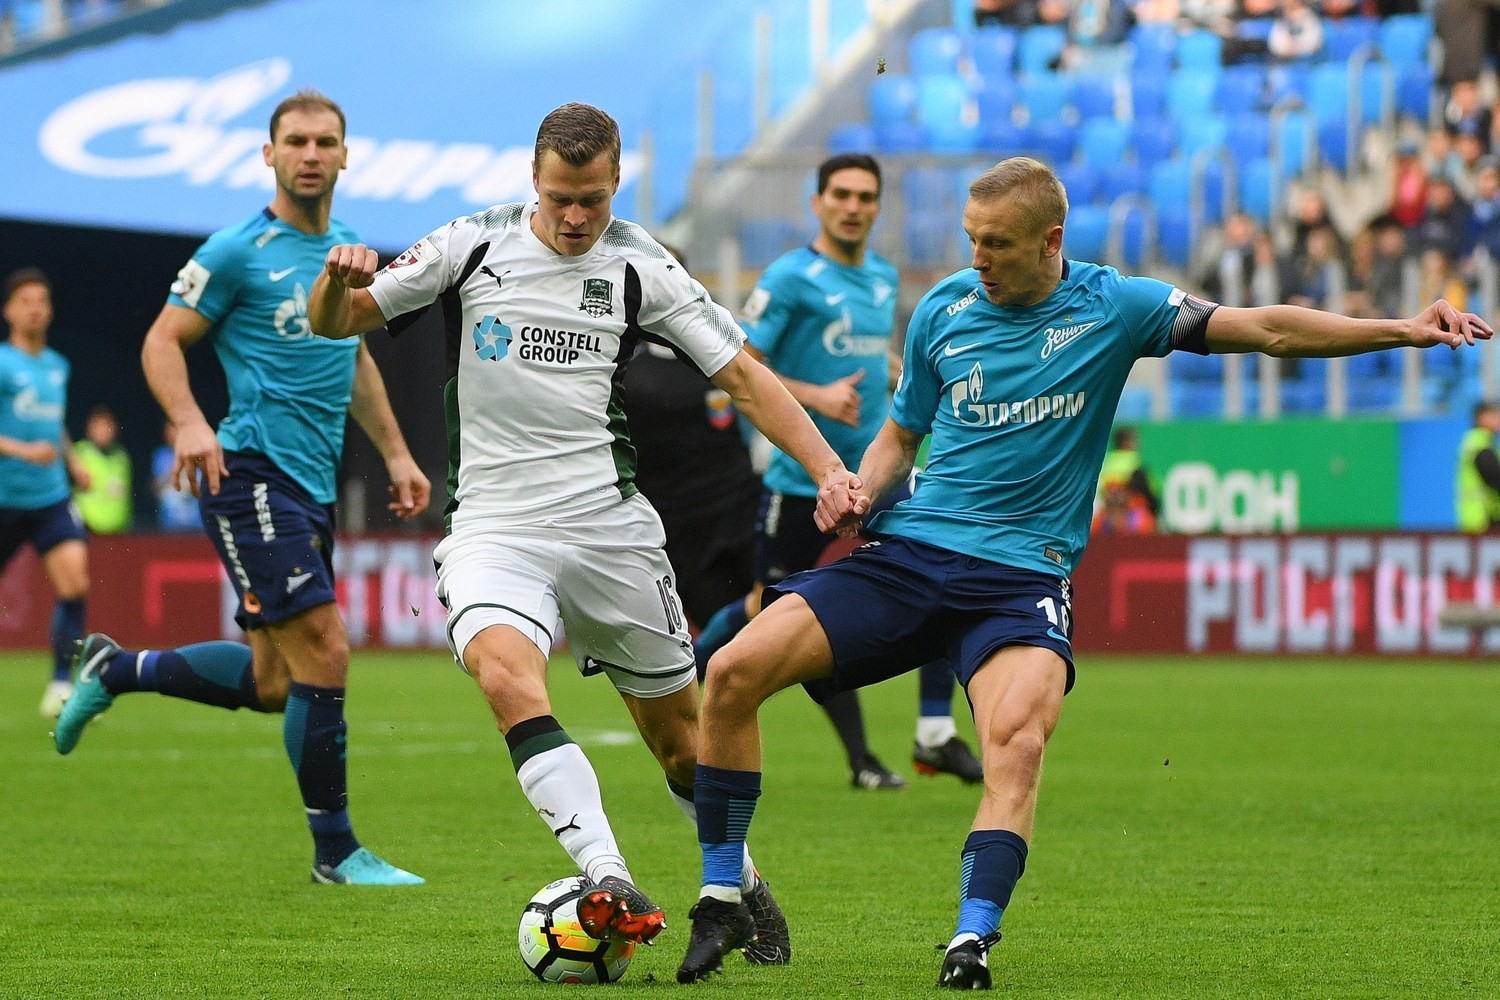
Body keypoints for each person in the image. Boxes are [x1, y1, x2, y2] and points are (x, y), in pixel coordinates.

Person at [675, 156, 1493, 988]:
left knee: (1017, 744)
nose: (978, 258)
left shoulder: (1116, 306)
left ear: (1049, 242)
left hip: (1020, 578)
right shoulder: (944, 310)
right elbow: (901, 435)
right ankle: (723, 894)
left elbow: (1270, 328)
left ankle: (970, 941)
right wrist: (858, 485)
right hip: (912, 555)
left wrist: (1402, 328)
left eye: (996, 244)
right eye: (972, 240)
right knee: (735, 672)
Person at [306, 102, 859, 953]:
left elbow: (745, 378)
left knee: (679, 742)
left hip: (610, 528)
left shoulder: (642, 267)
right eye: (562, 197)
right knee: (504, 677)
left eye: (592, 201)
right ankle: (608, 876)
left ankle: (740, 878)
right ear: (535, 178)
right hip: (495, 523)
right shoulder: (470, 244)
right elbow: (337, 323)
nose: (575, 218)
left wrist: (828, 468)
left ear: (613, 187)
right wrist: (333, 282)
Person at [53, 90, 431, 887]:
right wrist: (191, 422)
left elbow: (353, 360)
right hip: (251, 470)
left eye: (326, 141)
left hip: (311, 483)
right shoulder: (235, 250)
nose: (311, 154)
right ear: (268, 154)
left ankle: (112, 671)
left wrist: (396, 453)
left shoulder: (349, 248)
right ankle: (337, 852)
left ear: (345, 154)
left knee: (273, 684)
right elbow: (163, 340)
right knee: (326, 648)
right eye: (295, 141)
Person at [693, 154, 983, 791]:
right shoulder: (791, 277)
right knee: (768, 610)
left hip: (879, 475)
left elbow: (867, 352)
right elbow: (739, 361)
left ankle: (932, 733)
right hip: (804, 481)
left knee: (943, 576)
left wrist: (899, 382)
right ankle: (691, 668)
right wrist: (816, 397)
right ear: (817, 202)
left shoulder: (881, 278)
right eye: (842, 195)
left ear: (877, 207)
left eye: (866, 197)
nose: (854, 207)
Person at [0, 267, 93, 719]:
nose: (35, 308)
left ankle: (60, 684)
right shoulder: (2, 362)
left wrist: (72, 461)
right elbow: (26, 438)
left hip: (51, 496)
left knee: (75, 582)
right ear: (9, 311)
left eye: (42, 300)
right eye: (26, 301)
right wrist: (19, 449)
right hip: (4, 497)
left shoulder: (58, 366)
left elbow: (53, 424)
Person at [72, 404, 132, 534]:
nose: (103, 431)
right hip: (88, 531)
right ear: (89, 428)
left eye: (107, 426)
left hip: (120, 532)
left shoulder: (121, 455)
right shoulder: (79, 453)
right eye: (99, 427)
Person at [1095, 425, 1159, 525]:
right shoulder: (1134, 461)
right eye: (1134, 440)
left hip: (1106, 517)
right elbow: (1152, 493)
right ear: (1125, 442)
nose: (1137, 444)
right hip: (1131, 517)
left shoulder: (1106, 462)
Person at [1456, 400, 1500, 532]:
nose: (1497, 419)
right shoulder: (1480, 445)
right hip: (1483, 517)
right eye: (1493, 415)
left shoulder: (1479, 442)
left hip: (1476, 518)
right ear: (1481, 418)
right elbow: (1495, 478)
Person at [151, 419, 200, 531]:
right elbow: (154, 489)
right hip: (169, 524)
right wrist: (171, 474)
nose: (173, 433)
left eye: (176, 428)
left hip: (196, 525)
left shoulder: (198, 453)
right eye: (170, 429)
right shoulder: (160, 455)